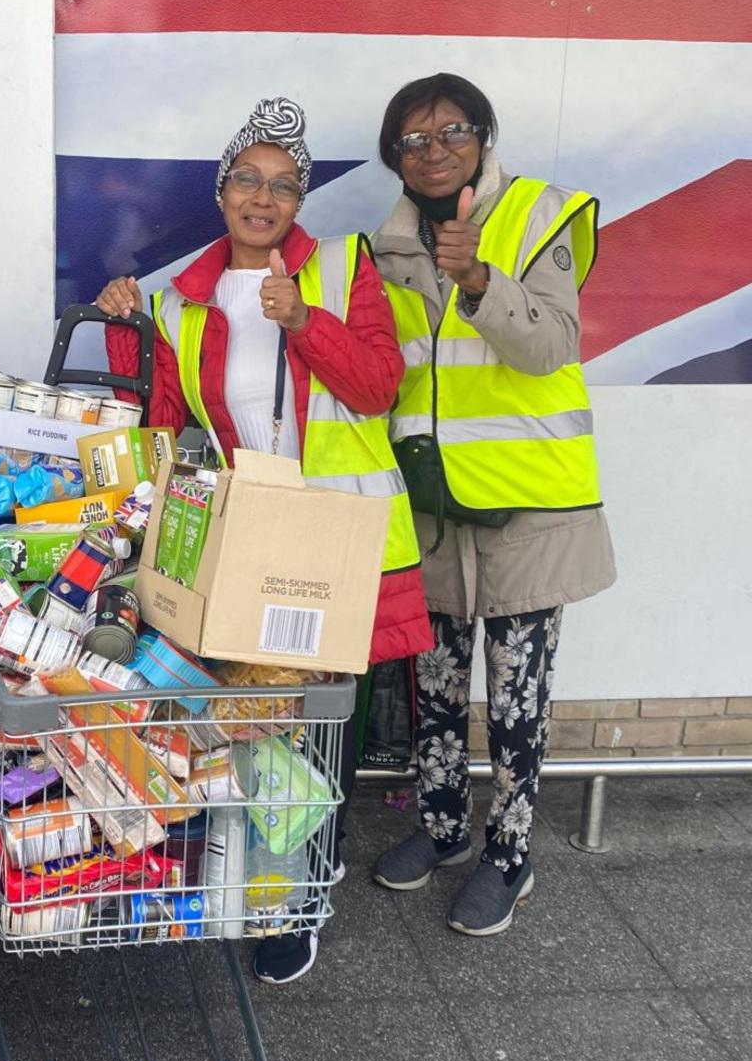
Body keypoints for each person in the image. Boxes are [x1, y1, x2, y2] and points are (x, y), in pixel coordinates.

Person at [95, 96, 432, 983]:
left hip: (338, 533)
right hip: (247, 536)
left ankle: (300, 895)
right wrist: (128, 334)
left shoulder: (341, 267)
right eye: (247, 179)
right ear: (220, 192)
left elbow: (377, 388)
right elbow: (166, 430)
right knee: (243, 709)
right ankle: (239, 868)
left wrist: (302, 322)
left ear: (301, 201)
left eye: (285, 185)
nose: (263, 197)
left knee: (324, 721)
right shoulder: (180, 301)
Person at [369, 72, 615, 936]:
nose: (434, 151)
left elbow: (552, 344)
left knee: (516, 701)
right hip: (433, 512)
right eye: (413, 139)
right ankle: (440, 831)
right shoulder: (383, 250)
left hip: (528, 513)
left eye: (452, 131)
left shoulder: (540, 213)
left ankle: (510, 858)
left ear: (484, 135)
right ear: (393, 156)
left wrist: (477, 279)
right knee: (434, 690)